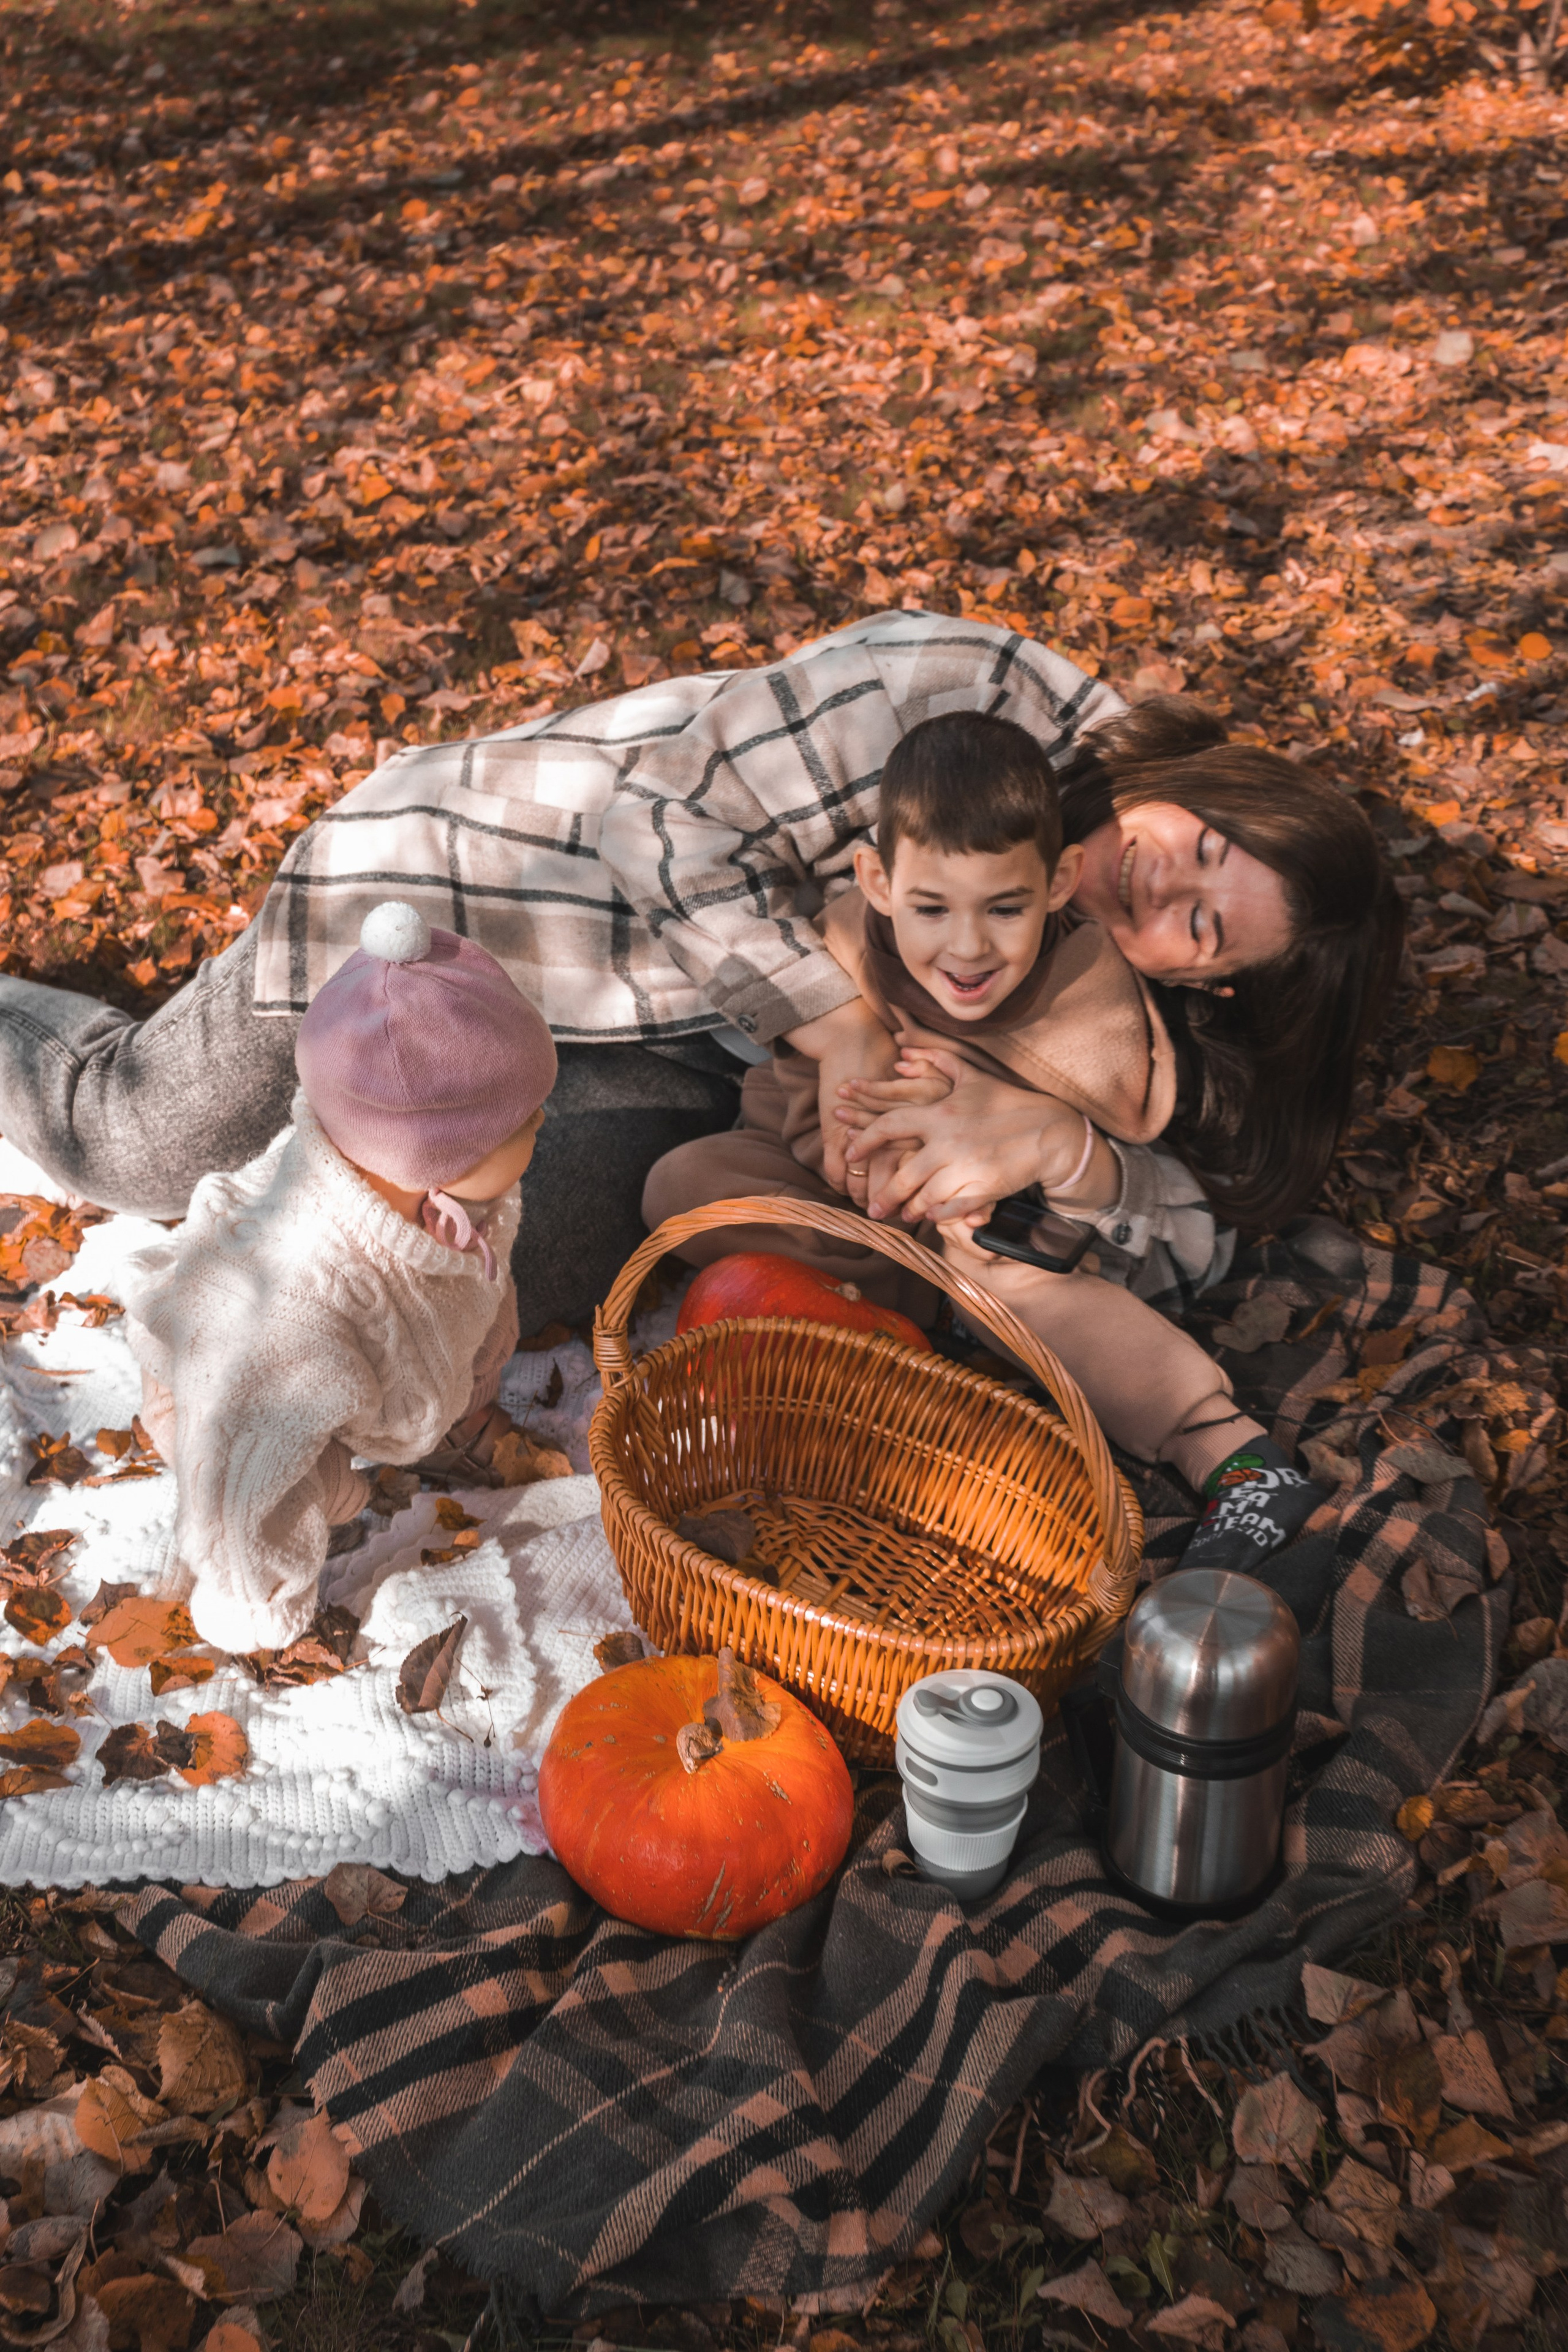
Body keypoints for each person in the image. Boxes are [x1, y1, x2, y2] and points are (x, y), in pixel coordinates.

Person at [0, 611, 1401, 1330]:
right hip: (472, 900)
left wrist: (1061, 1153)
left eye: (1205, 925)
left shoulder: (1115, 1013)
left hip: (681, 1064)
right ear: (1203, 778)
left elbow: (1184, 1239)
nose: (1167, 885)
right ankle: (71, 1041)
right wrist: (842, 1021)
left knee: (505, 1269)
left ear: (1203, 981)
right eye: (1203, 842)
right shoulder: (973, 698)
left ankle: (323, 1145)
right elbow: (656, 816)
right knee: (135, 1146)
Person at [643, 710, 1322, 1572]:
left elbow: (1114, 1124)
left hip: (991, 1223)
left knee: (1016, 1290)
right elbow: (798, 1104)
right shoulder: (852, 939)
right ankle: (900, 1337)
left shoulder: (1083, 988)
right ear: (879, 881)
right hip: (860, 1206)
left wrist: (990, 1131)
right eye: (932, 908)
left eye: (1005, 908)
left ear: (1061, 881)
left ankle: (1225, 1450)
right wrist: (871, 1131)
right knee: (689, 1182)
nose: (968, 948)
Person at [120, 902, 559, 1655]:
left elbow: (470, 1301)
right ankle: (271, 1578)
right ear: (436, 1159)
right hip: (224, 1389)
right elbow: (237, 1493)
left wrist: (466, 1384)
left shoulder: (455, 1197)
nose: (545, 1125)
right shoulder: (289, 1328)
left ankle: (459, 1419)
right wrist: (259, 1602)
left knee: (470, 1315)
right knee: (298, 1478)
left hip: (384, 1315)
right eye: (526, 1122)